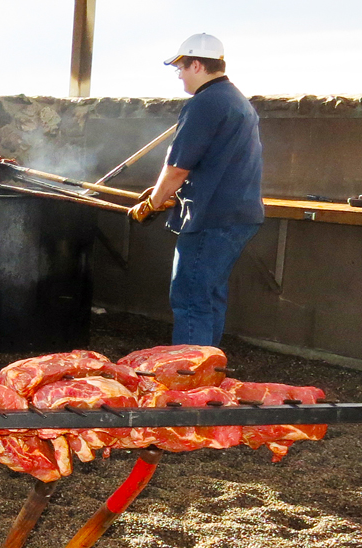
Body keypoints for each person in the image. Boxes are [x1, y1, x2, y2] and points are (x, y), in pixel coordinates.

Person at [128, 33, 264, 347]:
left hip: (210, 217)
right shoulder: (237, 100)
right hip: (237, 214)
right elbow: (216, 164)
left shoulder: (205, 103)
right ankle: (208, 372)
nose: (179, 75)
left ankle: (188, 383)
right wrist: (166, 193)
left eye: (181, 68)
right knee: (209, 296)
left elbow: (177, 168)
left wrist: (153, 202)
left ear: (197, 65)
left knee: (190, 297)